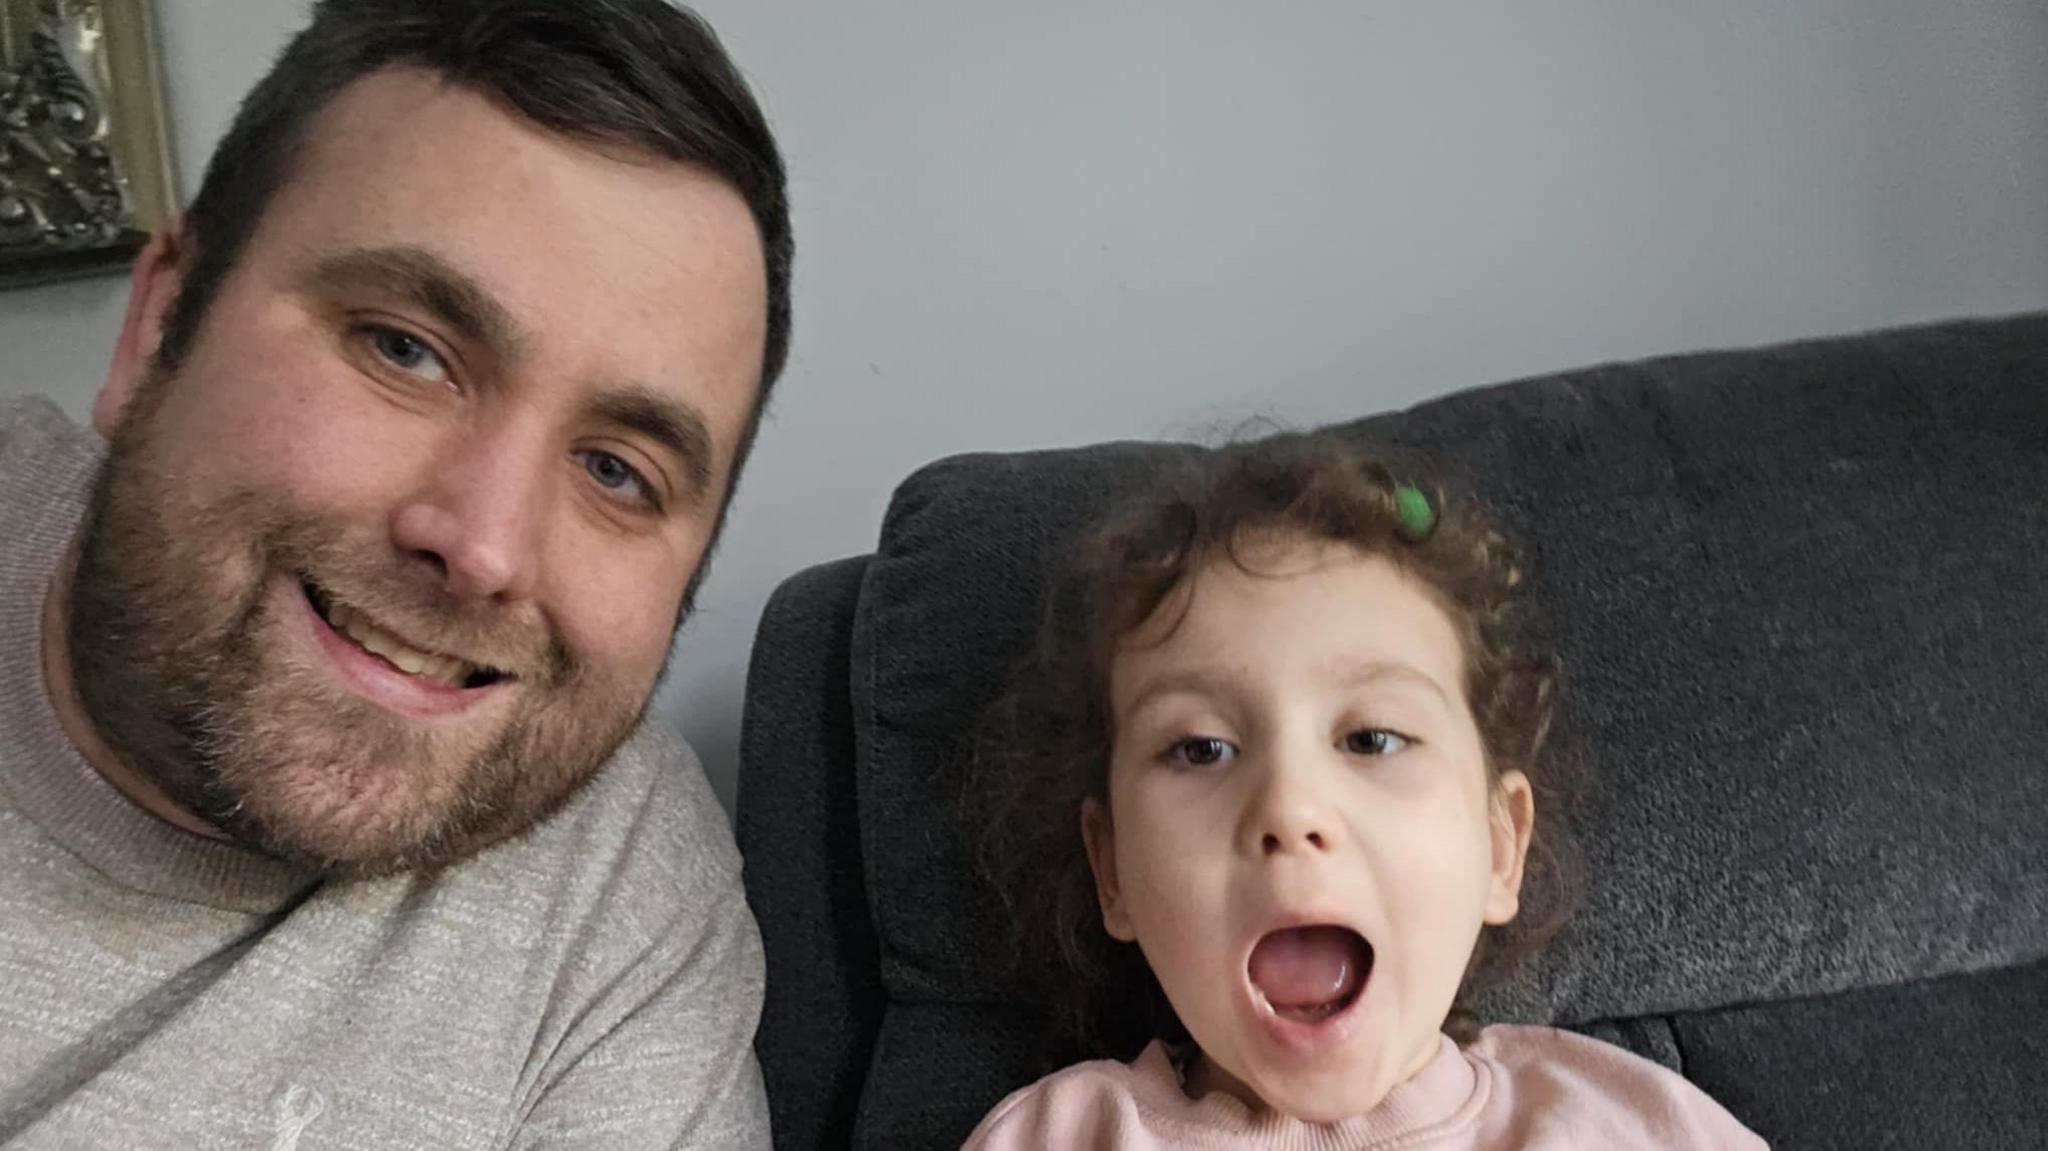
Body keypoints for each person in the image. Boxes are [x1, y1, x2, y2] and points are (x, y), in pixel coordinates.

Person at [0, 0, 791, 1145]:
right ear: (161, 320)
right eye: (405, 349)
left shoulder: (625, 893)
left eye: (616, 471)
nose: (481, 546)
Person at [963, 433, 1765, 1148]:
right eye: (1202, 748)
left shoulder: (1622, 1123)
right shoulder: (1063, 1136)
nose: (1289, 807)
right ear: (1112, 871)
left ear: (1501, 847)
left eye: (1373, 738)